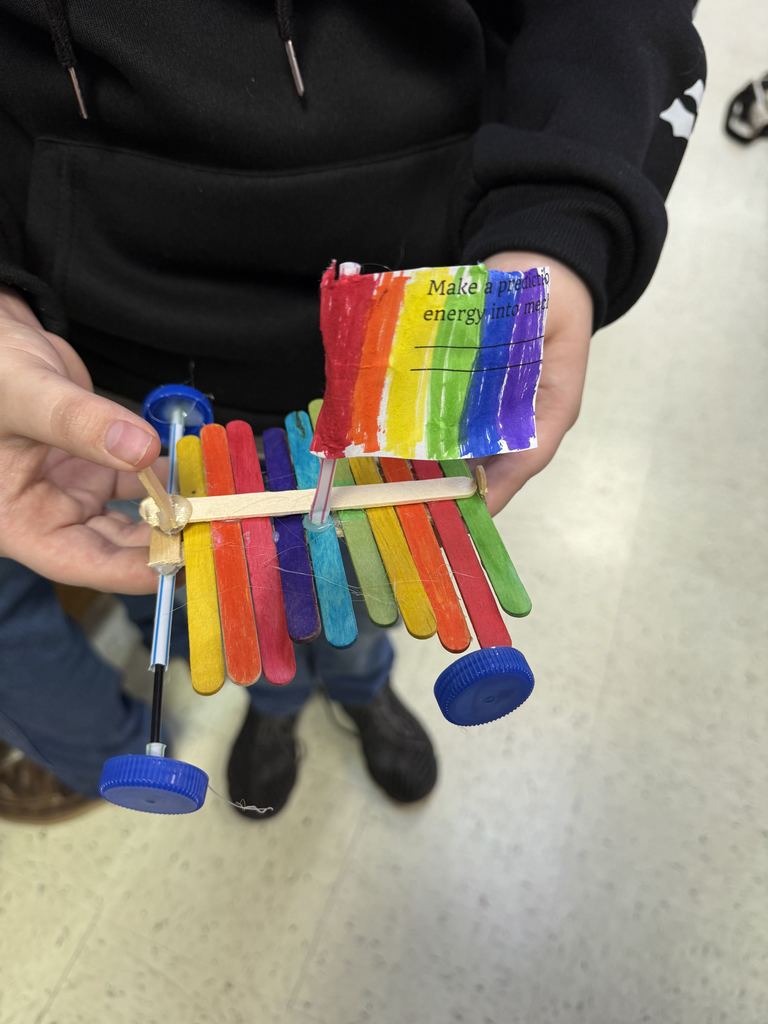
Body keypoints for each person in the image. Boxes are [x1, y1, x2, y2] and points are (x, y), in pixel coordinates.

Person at [0, 2, 706, 821]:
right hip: (111, 389)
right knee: (214, 605)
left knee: (369, 593)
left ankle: (363, 689)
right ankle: (274, 711)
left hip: (399, 338)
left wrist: (558, 216)